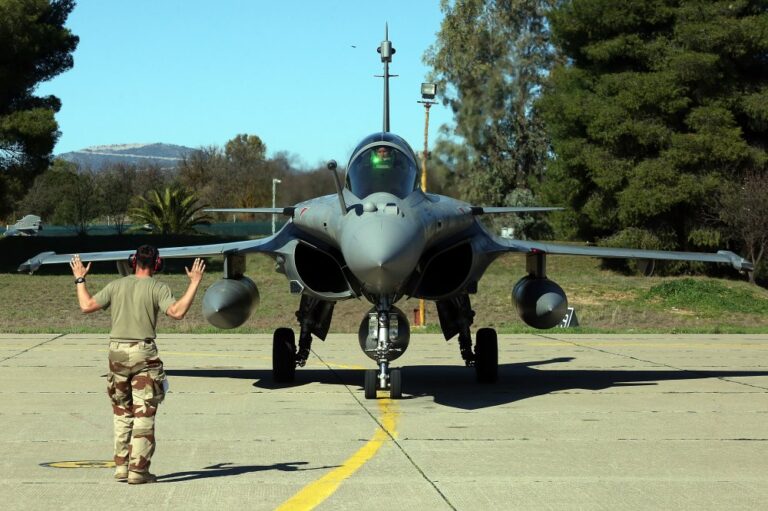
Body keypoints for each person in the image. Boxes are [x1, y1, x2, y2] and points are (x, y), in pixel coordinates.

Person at [69, 245, 205, 484]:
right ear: (157, 264)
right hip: (143, 353)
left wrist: (80, 278)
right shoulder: (158, 287)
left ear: (133, 263)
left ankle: (121, 466)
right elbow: (177, 312)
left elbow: (86, 306)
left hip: (117, 353)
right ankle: (138, 471)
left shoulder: (116, 285)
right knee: (143, 412)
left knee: (121, 410)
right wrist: (194, 282)